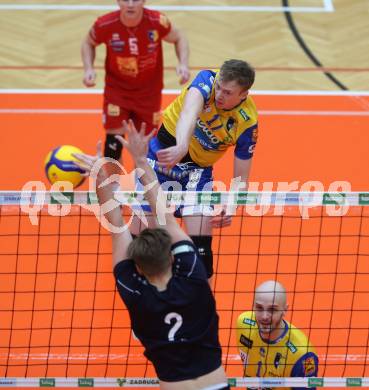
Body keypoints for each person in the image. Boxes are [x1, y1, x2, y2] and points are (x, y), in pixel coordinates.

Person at [73, 120, 230, 390]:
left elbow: (117, 229)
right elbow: (166, 218)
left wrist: (102, 174)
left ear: (139, 268)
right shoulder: (194, 277)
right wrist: (141, 160)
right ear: (172, 258)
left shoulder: (135, 293)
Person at [132, 58, 258, 280]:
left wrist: (232, 204)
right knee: (142, 245)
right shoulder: (207, 80)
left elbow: (241, 174)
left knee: (203, 255)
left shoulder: (247, 123)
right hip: (159, 162)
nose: (219, 94)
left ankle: (201, 308)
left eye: (228, 92)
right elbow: (188, 114)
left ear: (243, 95)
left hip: (196, 174)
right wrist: (182, 145)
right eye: (219, 87)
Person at [81, 0, 190, 162]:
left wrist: (183, 63)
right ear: (118, 1)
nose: (130, 4)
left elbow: (179, 37)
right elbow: (88, 43)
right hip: (117, 91)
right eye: (126, 0)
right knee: (114, 142)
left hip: (149, 93)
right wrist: (88, 68)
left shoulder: (157, 21)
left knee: (146, 146)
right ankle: (113, 185)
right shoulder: (105, 24)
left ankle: (143, 186)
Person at [236, 280, 319, 389]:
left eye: (272, 309)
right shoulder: (244, 325)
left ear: (285, 310)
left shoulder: (303, 355)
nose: (264, 316)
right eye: (259, 308)